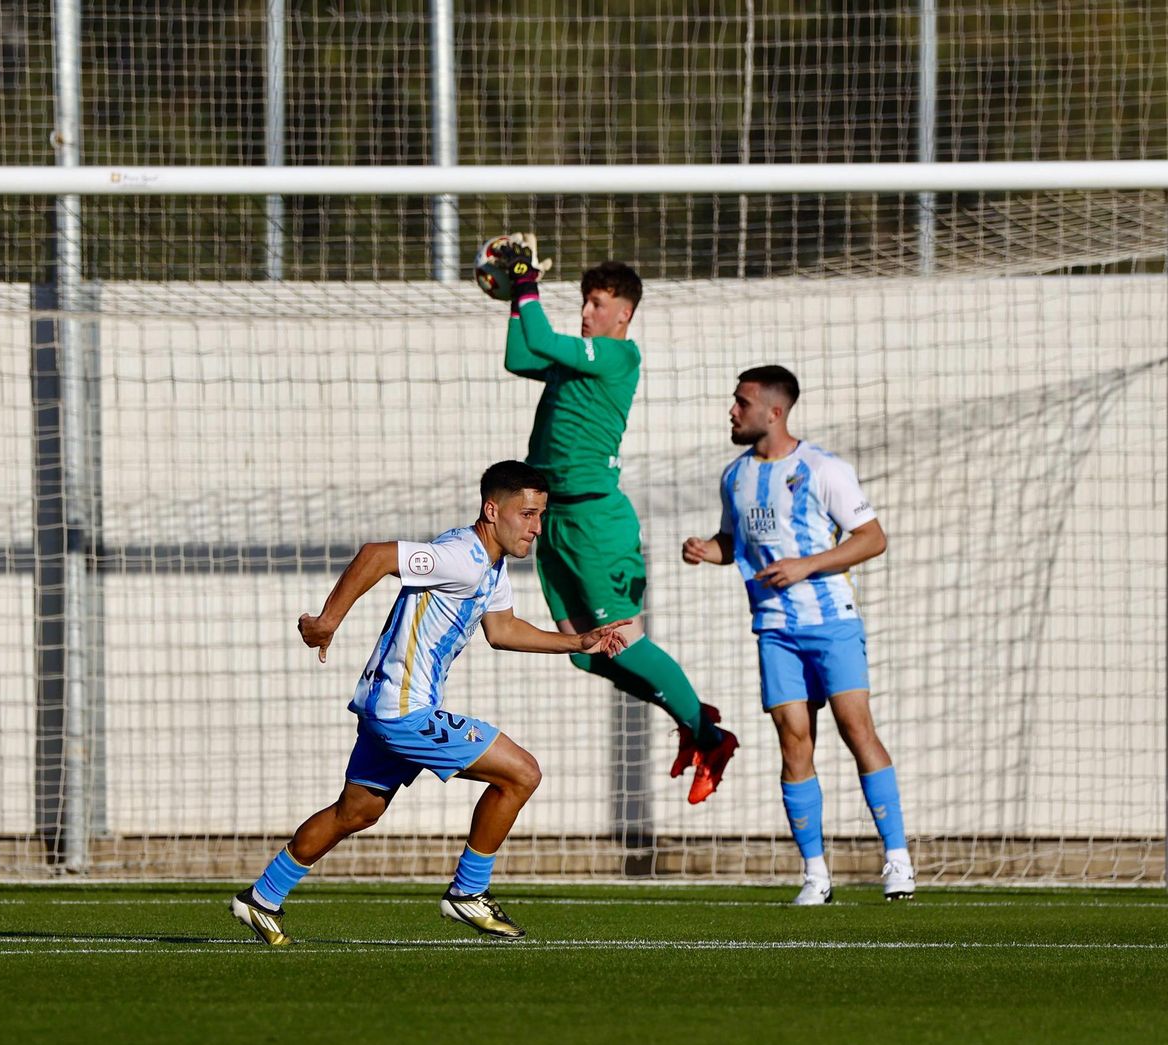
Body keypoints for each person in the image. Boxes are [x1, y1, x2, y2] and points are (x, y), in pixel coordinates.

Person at [230, 461, 632, 945]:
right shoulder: (459, 555)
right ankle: (468, 893)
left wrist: (576, 642)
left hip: (387, 707)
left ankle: (261, 897)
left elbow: (502, 630)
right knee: (522, 773)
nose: (536, 527)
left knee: (355, 813)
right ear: (492, 509)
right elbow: (376, 555)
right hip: (404, 710)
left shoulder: (492, 566)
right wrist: (327, 620)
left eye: (540, 515)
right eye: (526, 514)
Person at [496, 238, 738, 804]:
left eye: (597, 303)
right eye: (584, 300)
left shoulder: (618, 356)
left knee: (624, 639)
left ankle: (709, 737)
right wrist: (514, 295)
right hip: (556, 521)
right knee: (584, 650)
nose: (586, 312)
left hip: (595, 521)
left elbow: (538, 338)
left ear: (624, 313)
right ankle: (691, 714)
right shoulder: (571, 363)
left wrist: (526, 281)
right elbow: (518, 354)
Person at [682, 365, 915, 903]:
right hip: (774, 629)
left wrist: (807, 565)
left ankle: (897, 860)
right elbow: (731, 542)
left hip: (830, 621)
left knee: (857, 730)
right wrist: (705, 551)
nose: (732, 411)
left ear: (774, 411)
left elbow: (872, 537)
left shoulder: (823, 468)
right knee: (793, 742)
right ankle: (815, 874)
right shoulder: (734, 476)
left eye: (742, 402)